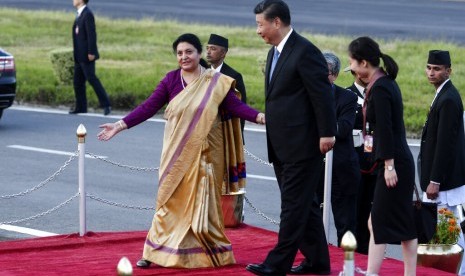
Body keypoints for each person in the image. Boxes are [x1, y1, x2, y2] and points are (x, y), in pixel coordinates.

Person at [97, 33, 265, 269]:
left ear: (199, 54)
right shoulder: (171, 80)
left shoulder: (214, 82)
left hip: (207, 155)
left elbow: (235, 106)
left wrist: (260, 117)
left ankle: (205, 251)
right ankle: (155, 251)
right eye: (179, 53)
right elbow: (149, 107)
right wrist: (119, 125)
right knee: (168, 201)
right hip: (176, 154)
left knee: (203, 204)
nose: (184, 57)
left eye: (189, 52)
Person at [246, 1, 337, 275]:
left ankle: (277, 264)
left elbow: (322, 96)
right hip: (281, 144)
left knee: (293, 207)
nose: (258, 31)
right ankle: (318, 261)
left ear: (276, 22)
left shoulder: (305, 51)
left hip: (303, 145)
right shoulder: (276, 52)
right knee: (305, 206)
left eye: (261, 24)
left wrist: (327, 132)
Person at [348, 36, 417, 276]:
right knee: (397, 223)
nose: (352, 69)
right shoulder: (385, 83)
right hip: (395, 161)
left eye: (353, 63)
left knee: (380, 222)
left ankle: (374, 273)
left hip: (394, 163)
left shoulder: (380, 88)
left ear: (364, 63)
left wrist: (389, 165)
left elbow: (385, 129)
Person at [419, 50, 465, 275]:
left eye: (436, 69)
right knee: (450, 227)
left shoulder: (448, 99)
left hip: (445, 182)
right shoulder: (443, 94)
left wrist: (434, 180)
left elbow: (445, 144)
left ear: (448, 70)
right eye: (429, 68)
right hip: (445, 180)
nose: (431, 72)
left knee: (450, 228)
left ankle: (456, 270)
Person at [316, 51, 359, 247]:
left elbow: (344, 128)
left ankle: (347, 263)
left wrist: (318, 126)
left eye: (322, 72)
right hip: (313, 167)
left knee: (345, 222)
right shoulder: (305, 94)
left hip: (340, 169)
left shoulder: (347, 98)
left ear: (333, 75)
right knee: (311, 217)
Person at [346, 69, 377, 255]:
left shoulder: (376, 95)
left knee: (369, 209)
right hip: (352, 159)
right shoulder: (348, 95)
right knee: (354, 210)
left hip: (371, 161)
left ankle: (367, 250)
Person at [70, 0, 111, 115]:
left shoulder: (87, 14)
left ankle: (106, 104)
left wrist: (91, 52)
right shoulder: (79, 14)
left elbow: (91, 34)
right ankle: (81, 107)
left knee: (92, 79)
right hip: (79, 55)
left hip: (87, 55)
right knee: (77, 82)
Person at [206, 33, 247, 135]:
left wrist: (238, 137)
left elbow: (241, 108)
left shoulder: (233, 76)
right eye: (207, 48)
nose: (208, 52)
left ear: (223, 53)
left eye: (213, 49)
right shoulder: (200, 72)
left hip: (224, 132)